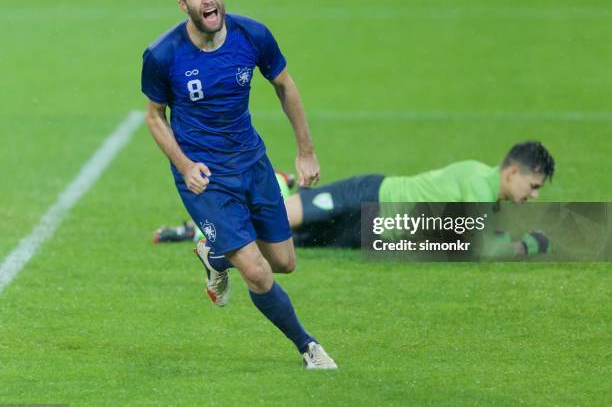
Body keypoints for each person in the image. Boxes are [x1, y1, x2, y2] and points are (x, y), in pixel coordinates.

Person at [141, 0, 337, 369]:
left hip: (252, 163)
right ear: (183, 5)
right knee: (258, 273)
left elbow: (285, 85)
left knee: (284, 263)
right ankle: (308, 347)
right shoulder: (163, 54)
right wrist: (184, 164)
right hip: (205, 178)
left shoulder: (253, 35)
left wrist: (305, 151)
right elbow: (154, 117)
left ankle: (215, 256)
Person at [155, 141, 555, 259]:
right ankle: (193, 228)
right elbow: (480, 247)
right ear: (513, 172)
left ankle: (211, 242)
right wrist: (528, 245)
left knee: (287, 243)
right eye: (533, 186)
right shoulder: (478, 183)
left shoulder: (488, 195)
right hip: (369, 196)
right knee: (284, 216)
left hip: (371, 230)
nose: (532, 196)